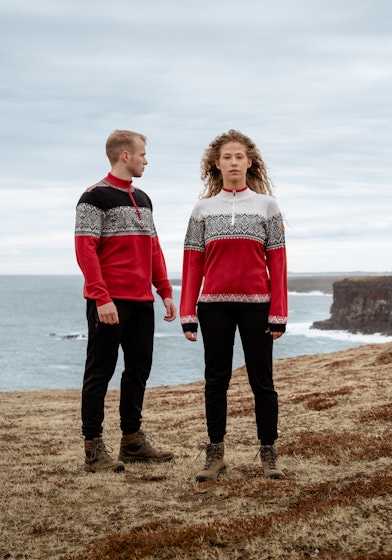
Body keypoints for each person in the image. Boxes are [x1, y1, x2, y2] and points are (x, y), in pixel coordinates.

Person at [180, 129, 288, 481]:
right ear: (216, 164)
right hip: (213, 307)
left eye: (239, 156)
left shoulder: (267, 206)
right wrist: (187, 313)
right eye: (227, 157)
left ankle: (269, 452)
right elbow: (192, 263)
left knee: (263, 382)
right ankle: (215, 455)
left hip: (257, 305)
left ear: (250, 162)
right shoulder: (203, 210)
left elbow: (279, 262)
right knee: (216, 380)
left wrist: (278, 312)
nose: (233, 162)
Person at [75, 129, 176, 473]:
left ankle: (132, 441)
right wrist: (101, 298)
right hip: (108, 301)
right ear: (124, 155)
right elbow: (85, 250)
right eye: (143, 154)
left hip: (141, 301)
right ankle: (93, 448)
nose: (146, 160)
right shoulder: (93, 197)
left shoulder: (144, 199)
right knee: (99, 372)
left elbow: (153, 249)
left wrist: (164, 291)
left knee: (138, 370)